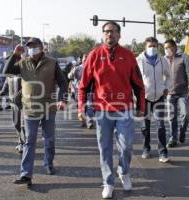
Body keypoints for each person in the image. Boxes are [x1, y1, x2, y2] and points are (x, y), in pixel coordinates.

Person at [78, 22, 145, 199]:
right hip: (102, 111)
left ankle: (124, 172)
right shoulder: (94, 55)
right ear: (103, 34)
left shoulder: (129, 56)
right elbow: (83, 86)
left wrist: (141, 106)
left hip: (125, 109)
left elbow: (138, 84)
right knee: (105, 148)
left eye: (114, 31)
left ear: (119, 35)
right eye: (107, 31)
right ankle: (108, 182)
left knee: (126, 145)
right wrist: (81, 108)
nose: (110, 34)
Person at [3, 37, 68, 186]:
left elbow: (63, 82)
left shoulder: (52, 63)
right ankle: (26, 174)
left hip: (48, 108)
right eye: (29, 47)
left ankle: (49, 163)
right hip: (30, 108)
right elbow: (7, 72)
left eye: (35, 46)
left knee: (49, 139)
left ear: (41, 48)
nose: (32, 49)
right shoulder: (22, 63)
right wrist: (15, 55)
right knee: (29, 141)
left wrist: (62, 99)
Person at [136, 37, 171, 163]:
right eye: (150, 46)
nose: (152, 48)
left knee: (161, 126)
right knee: (145, 126)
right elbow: (134, 79)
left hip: (159, 97)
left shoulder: (163, 61)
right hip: (144, 98)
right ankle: (146, 148)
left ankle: (163, 153)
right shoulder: (139, 61)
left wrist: (166, 87)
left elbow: (168, 76)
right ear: (145, 47)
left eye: (155, 46)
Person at [164, 39, 189, 148]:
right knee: (171, 117)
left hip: (183, 93)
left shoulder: (184, 57)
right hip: (170, 93)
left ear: (174, 47)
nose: (166, 50)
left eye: (168, 47)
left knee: (185, 114)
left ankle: (182, 131)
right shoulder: (164, 59)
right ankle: (173, 138)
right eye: (165, 48)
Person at [0, 75, 25, 153]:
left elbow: (27, 86)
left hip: (24, 103)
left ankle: (22, 143)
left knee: (23, 125)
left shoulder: (23, 75)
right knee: (16, 124)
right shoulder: (9, 77)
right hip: (14, 104)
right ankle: (22, 141)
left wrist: (19, 92)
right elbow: (5, 88)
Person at [68, 54, 95, 129]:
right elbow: (69, 76)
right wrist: (73, 72)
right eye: (84, 58)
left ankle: (89, 122)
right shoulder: (78, 68)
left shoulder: (92, 68)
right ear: (81, 59)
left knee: (90, 106)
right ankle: (83, 121)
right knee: (81, 106)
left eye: (87, 58)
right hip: (79, 90)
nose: (86, 59)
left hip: (89, 90)